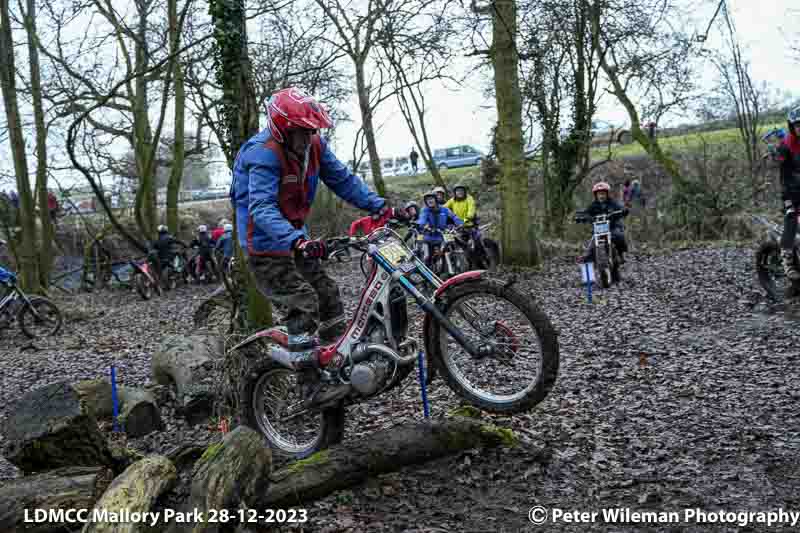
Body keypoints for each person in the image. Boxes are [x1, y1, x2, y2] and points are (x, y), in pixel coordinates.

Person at [230, 87, 388, 368]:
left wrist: (379, 206)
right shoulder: (263, 154)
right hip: (265, 246)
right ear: (283, 129)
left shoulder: (315, 146)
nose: (308, 137)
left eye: (312, 130)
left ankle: (338, 364)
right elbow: (262, 208)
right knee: (302, 303)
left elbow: (342, 179)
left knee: (327, 294)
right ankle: (309, 383)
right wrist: (296, 240)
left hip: (295, 239)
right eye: (302, 132)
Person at [775, 107, 800, 281]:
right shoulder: (785, 146)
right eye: (797, 125)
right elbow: (784, 176)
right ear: (791, 126)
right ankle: (787, 260)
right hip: (792, 191)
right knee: (791, 218)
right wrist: (788, 200)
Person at [578, 182, 629, 263]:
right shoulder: (593, 205)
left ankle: (621, 254)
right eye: (599, 194)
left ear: (607, 194)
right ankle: (589, 258)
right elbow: (587, 212)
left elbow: (620, 208)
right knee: (592, 243)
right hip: (598, 229)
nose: (601, 196)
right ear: (596, 195)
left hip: (612, 227)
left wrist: (623, 210)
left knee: (619, 236)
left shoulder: (612, 203)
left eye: (603, 194)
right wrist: (582, 217)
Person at [417, 189, 463, 266]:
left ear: (435, 199)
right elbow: (422, 220)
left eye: (431, 199)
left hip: (442, 234)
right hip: (429, 236)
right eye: (427, 200)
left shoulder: (444, 209)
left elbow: (454, 217)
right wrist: (424, 226)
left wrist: (460, 224)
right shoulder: (425, 210)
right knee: (427, 257)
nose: (429, 201)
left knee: (450, 245)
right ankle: (426, 269)